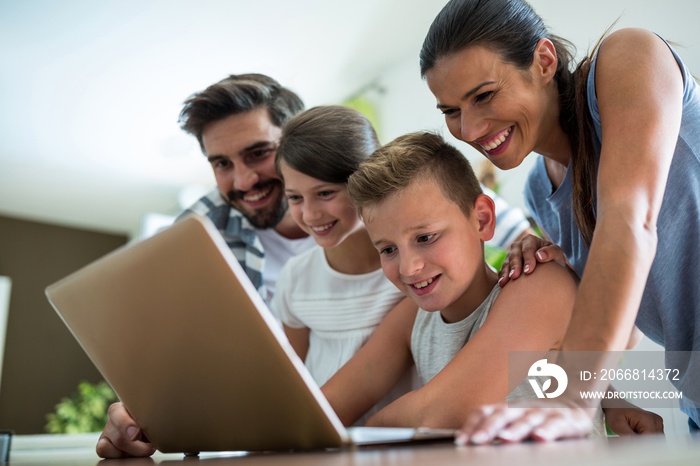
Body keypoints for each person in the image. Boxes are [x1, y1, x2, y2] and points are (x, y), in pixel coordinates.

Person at [96, 131, 591, 458]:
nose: (409, 267)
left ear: (482, 220)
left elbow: (443, 413)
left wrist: (364, 424)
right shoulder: (410, 316)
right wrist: (163, 422)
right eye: (388, 249)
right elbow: (320, 408)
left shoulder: (536, 282)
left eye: (426, 237)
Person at [419, 0, 697, 442]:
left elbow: (628, 222)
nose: (469, 130)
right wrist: (608, 396)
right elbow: (624, 332)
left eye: (484, 95)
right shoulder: (538, 191)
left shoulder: (629, 57)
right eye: (451, 111)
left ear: (544, 61)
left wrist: (574, 399)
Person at [177, 73, 532, 303]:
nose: (243, 181)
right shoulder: (201, 227)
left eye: (258, 153)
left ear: (295, 142)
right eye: (221, 163)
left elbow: (484, 216)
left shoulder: (384, 180)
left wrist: (528, 248)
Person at [272, 105, 415, 422]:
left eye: (324, 193)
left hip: (399, 440)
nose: (309, 215)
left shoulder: (413, 268)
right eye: (295, 197)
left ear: (365, 178)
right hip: (325, 440)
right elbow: (292, 378)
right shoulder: (296, 278)